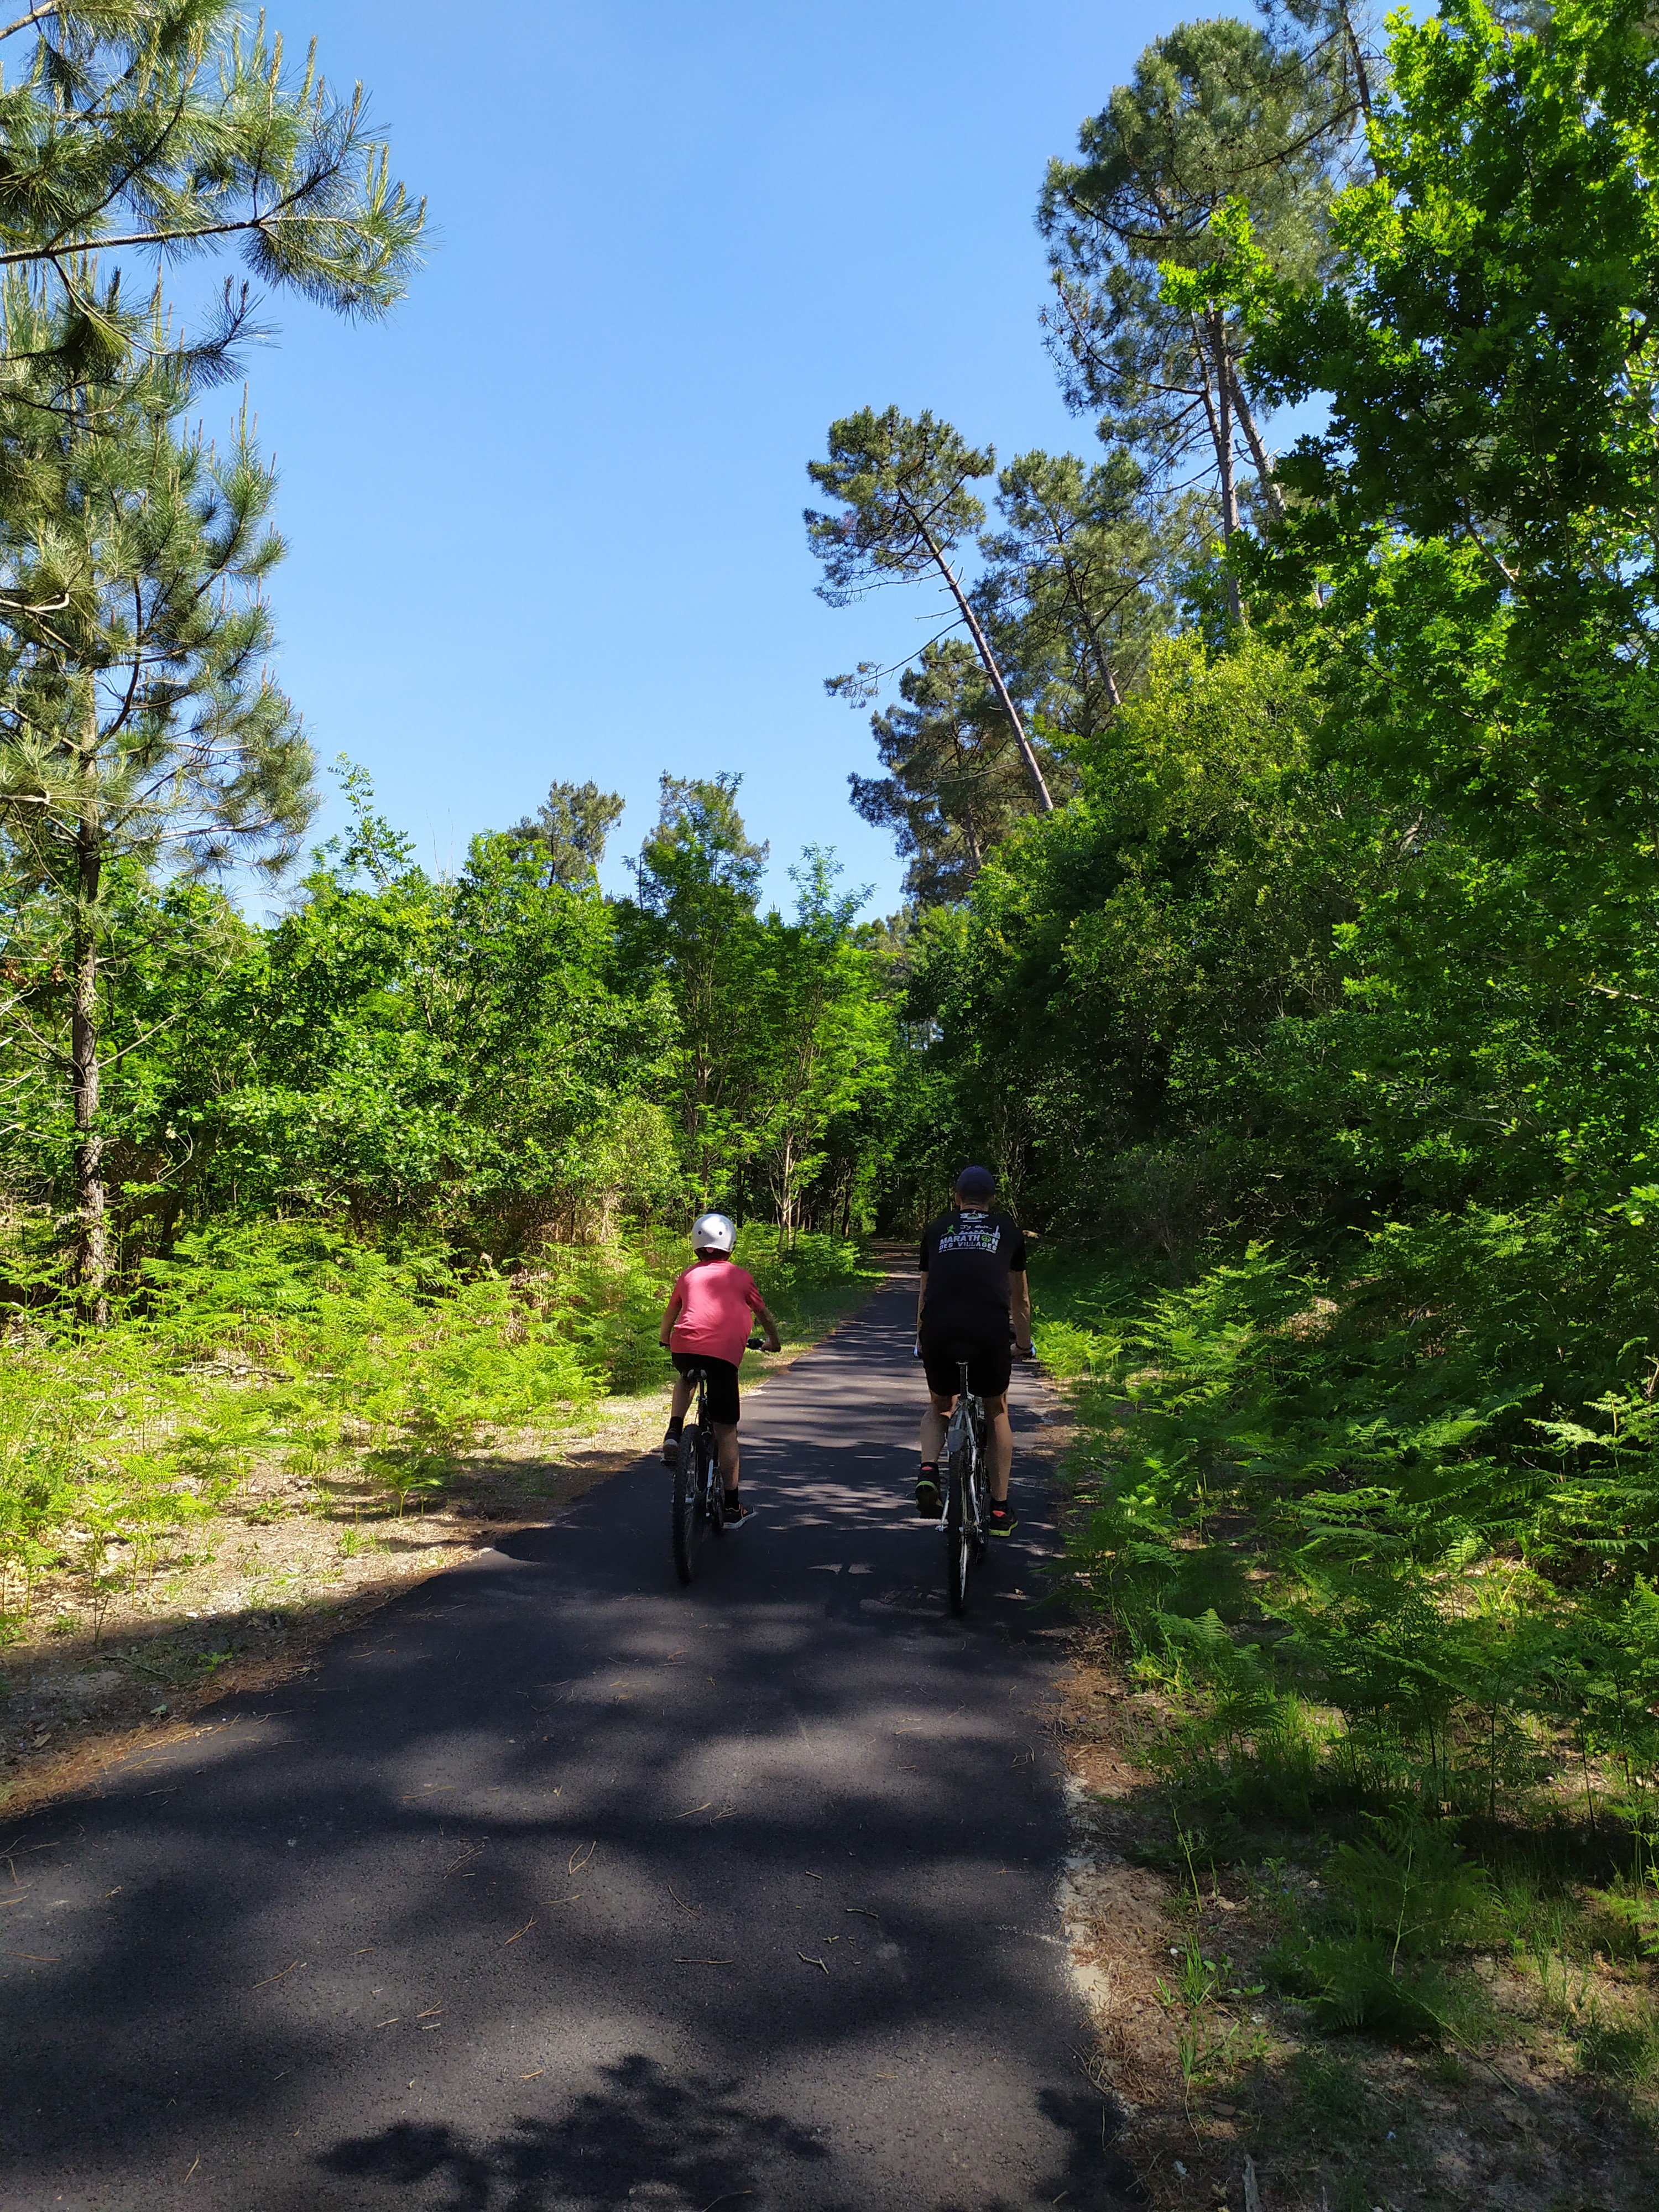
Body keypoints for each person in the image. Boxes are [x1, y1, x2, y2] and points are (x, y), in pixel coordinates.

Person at [915, 1164, 1032, 1536]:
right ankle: (999, 1508)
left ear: (957, 1198)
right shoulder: (1008, 1231)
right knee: (996, 1408)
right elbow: (1020, 1300)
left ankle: (929, 1471)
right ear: (991, 1200)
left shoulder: (936, 1230)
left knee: (939, 1403)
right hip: (988, 1332)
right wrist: (1023, 1345)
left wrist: (921, 1338)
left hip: (940, 1331)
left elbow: (925, 1293)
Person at [658, 1211, 781, 1524]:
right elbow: (763, 1314)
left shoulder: (688, 1275)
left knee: (686, 1378)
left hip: (685, 1349)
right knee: (726, 1433)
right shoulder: (740, 1276)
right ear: (730, 1245)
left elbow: (672, 1312)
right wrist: (774, 1341)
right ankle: (731, 1508)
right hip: (722, 1357)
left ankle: (674, 1431)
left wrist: (664, 1339)